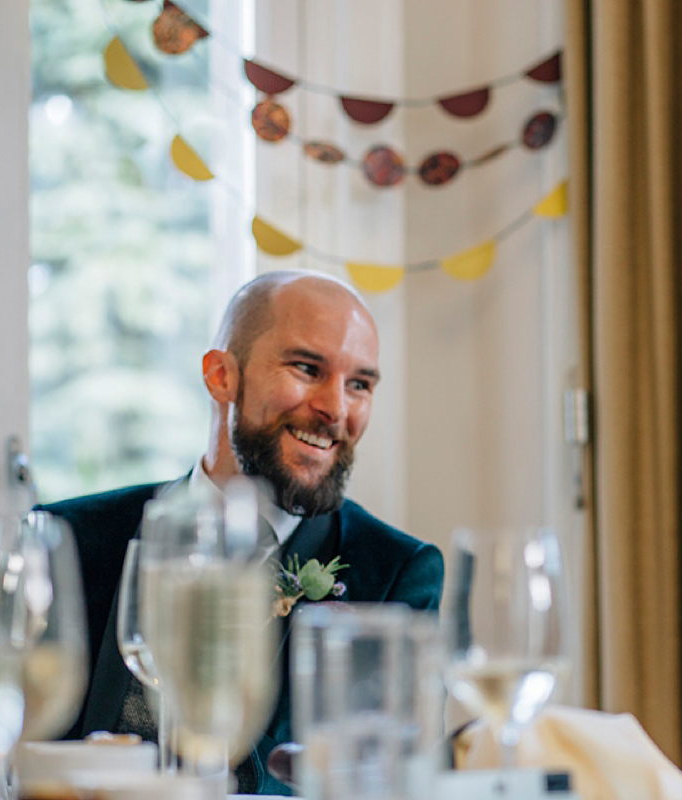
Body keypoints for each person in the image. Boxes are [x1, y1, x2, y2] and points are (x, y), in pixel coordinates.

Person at [41, 270, 444, 795]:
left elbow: (394, 784)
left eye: (359, 384)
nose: (336, 408)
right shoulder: (68, 539)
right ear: (220, 376)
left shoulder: (397, 573)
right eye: (307, 368)